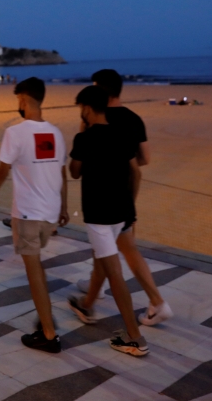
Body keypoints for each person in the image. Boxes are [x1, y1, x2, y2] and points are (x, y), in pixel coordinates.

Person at [78, 69, 173, 327]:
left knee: (112, 253)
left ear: (102, 91)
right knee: (122, 251)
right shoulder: (133, 119)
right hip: (126, 198)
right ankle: (89, 302)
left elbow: (80, 161)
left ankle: (144, 310)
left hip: (100, 201)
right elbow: (144, 159)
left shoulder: (97, 120)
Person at [0, 77, 69, 353]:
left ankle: (49, 333)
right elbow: (62, 173)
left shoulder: (15, 133)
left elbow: (1, 170)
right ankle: (44, 319)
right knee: (37, 267)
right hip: (50, 215)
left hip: (29, 215)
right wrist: (64, 208)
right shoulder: (55, 133)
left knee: (33, 273)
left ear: (23, 100)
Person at [66, 86, 148, 357]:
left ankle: (135, 337)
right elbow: (133, 169)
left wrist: (82, 135)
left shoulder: (85, 138)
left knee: (114, 273)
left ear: (87, 108)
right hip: (122, 211)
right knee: (104, 259)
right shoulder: (122, 134)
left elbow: (74, 172)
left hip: (99, 215)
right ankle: (87, 304)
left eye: (82, 109)